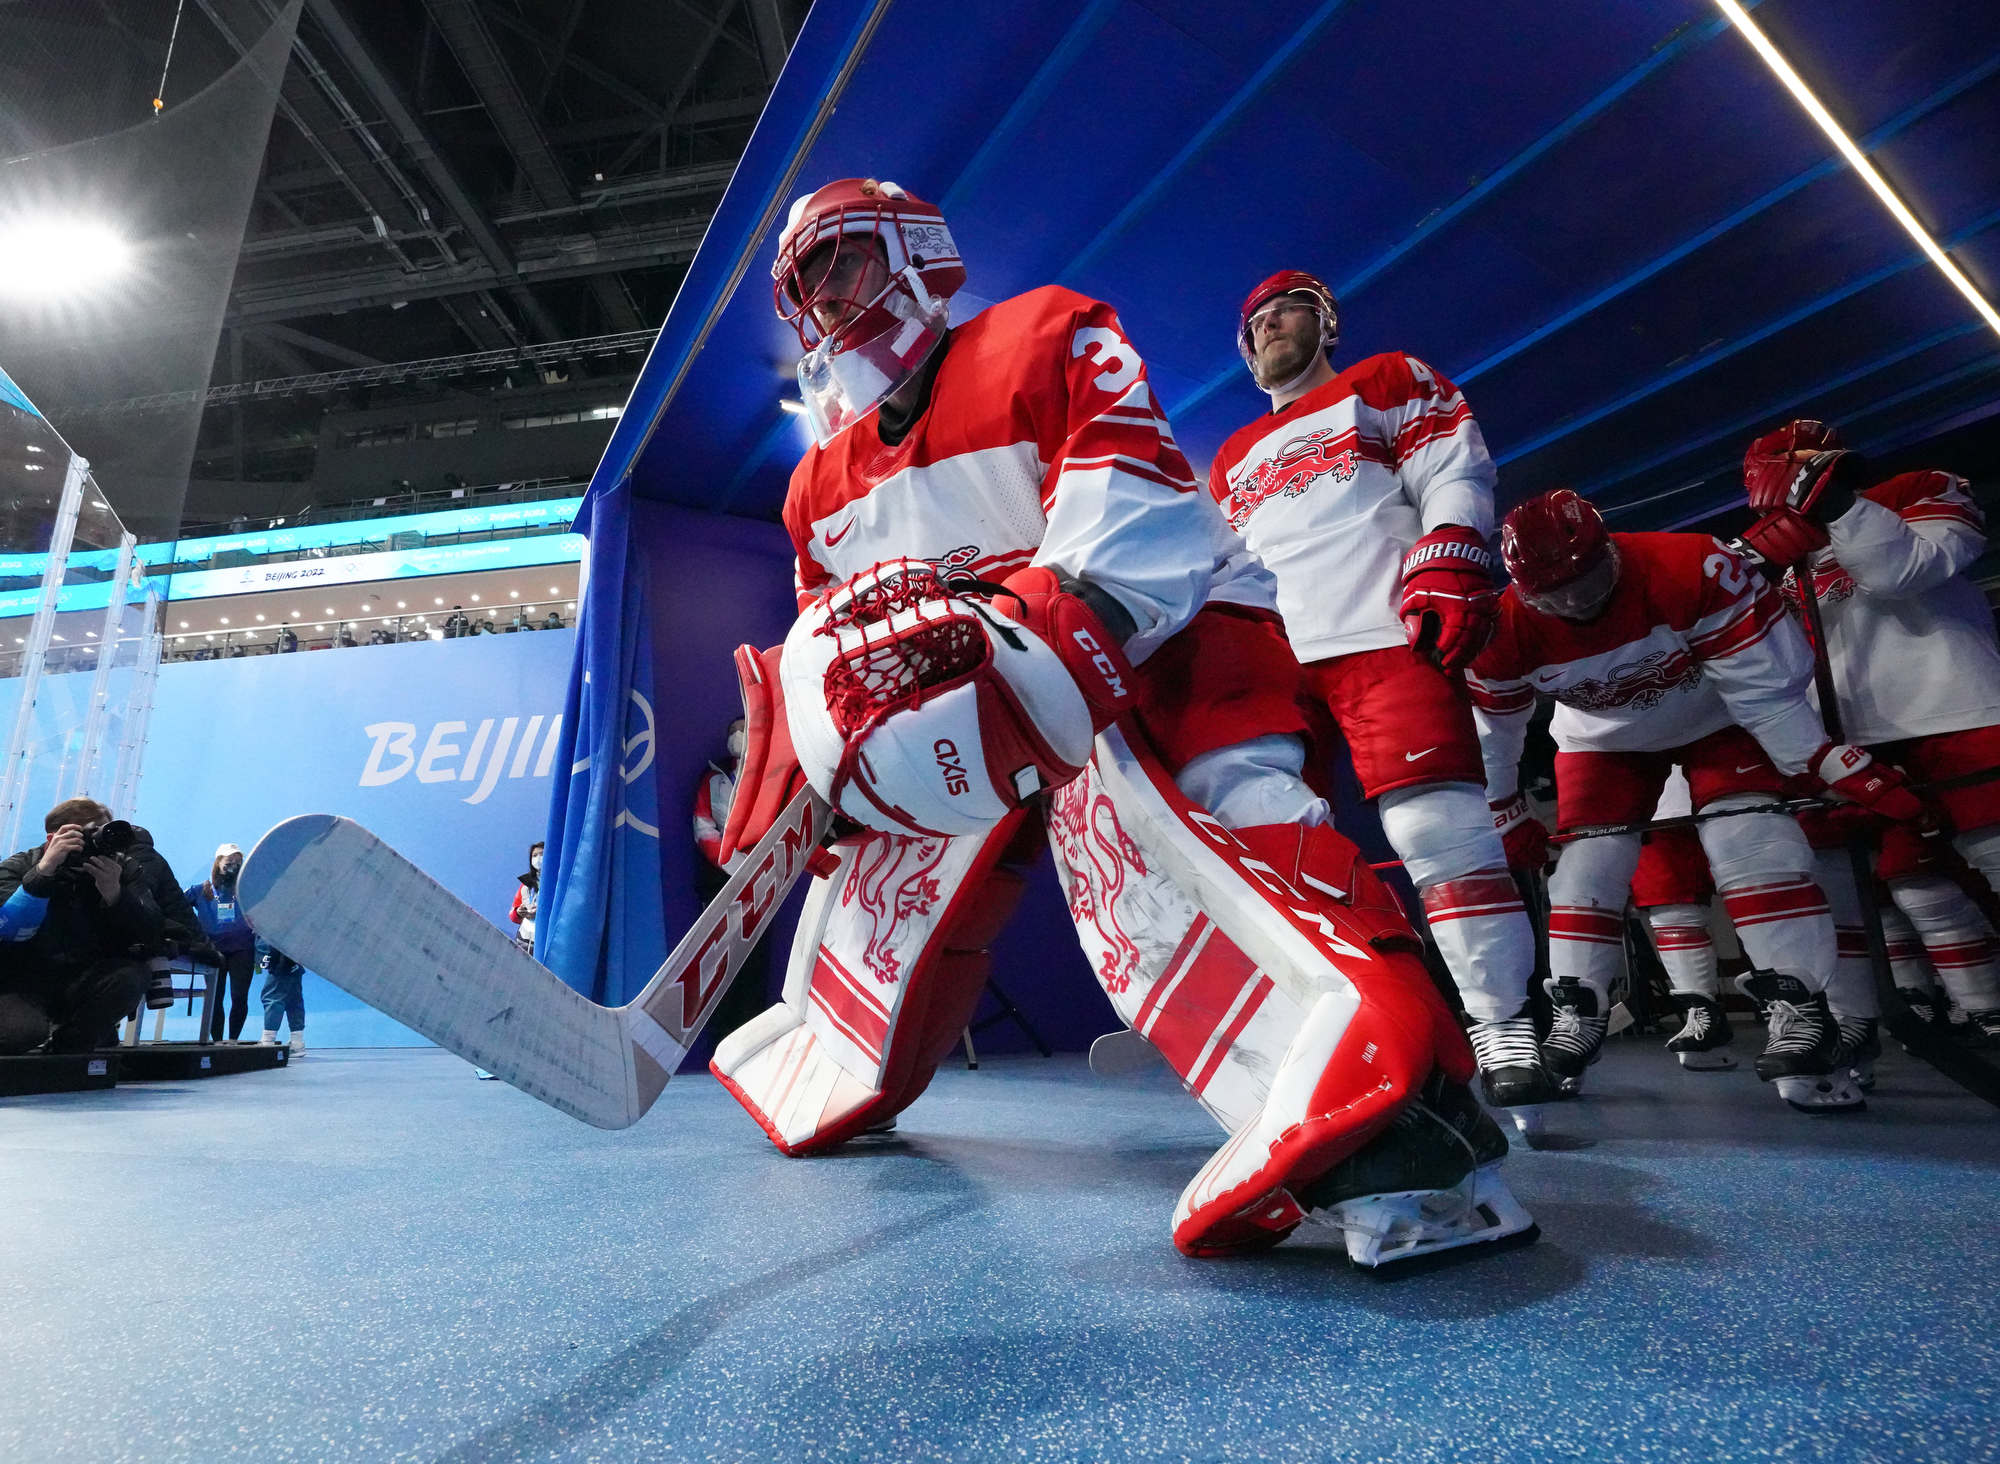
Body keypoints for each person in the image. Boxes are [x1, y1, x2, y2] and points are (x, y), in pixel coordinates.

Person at [713, 178, 1525, 1264]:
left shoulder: (1048, 332)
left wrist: (1016, 644)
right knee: (891, 889)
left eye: (841, 266)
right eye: (805, 288)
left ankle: (1405, 1123)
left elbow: (1131, 529)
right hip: (1002, 673)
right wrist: (825, 770)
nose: (826, 302)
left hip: (1172, 631)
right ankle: (830, 1055)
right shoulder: (814, 487)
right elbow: (838, 640)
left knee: (1212, 836)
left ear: (917, 256)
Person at [1467, 488, 1936, 1112]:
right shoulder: (1504, 629)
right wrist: (1505, 811)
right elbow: (1493, 736)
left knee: (1750, 841)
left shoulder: (1690, 566)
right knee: (1586, 868)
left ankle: (1802, 1009)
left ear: (1610, 549)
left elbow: (1767, 691)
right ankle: (1578, 1010)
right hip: (1601, 741)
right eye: (1554, 595)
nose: (1576, 604)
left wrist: (1825, 759)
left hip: (1722, 717)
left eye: (1585, 582)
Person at [1209, 269, 1547, 1112]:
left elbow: (1452, 469)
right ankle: (1321, 1025)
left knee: (1439, 829)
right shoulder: (1228, 455)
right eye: (1252, 323)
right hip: (1271, 654)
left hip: (1377, 634)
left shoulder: (1388, 379)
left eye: (1283, 310)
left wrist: (1451, 546)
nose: (1266, 326)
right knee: (1263, 842)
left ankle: (1499, 1021)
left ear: (1325, 323)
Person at [1738, 419, 2000, 1044]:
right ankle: (1984, 1009)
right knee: (1914, 885)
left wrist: (1836, 505)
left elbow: (1904, 571)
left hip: (1957, 709)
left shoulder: (1922, 487)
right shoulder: (1771, 550)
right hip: (1855, 736)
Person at [0, 802, 165, 1054]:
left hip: (83, 979)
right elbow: (8, 926)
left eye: (104, 831)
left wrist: (117, 896)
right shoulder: (19, 866)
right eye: (90, 832)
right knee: (21, 1034)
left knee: (132, 975)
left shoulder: (122, 869)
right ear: (53, 837)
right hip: (23, 982)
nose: (98, 840)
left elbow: (152, 931)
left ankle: (72, 1043)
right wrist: (43, 873)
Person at [185, 844, 257, 1042]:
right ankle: (217, 1041)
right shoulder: (200, 890)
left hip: (243, 949)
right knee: (215, 999)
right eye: (229, 861)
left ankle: (233, 1040)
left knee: (239, 996)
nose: (233, 865)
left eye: (237, 862)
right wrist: (193, 933)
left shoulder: (248, 891)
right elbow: (176, 906)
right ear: (218, 863)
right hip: (213, 952)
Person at [257, 943, 306, 1054]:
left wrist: (274, 963)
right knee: (293, 1001)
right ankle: (297, 1043)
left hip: (281, 963)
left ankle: (267, 1042)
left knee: (272, 998)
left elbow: (273, 938)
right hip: (294, 963)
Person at [508, 841, 541, 957]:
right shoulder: (527, 884)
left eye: (542, 854)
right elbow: (513, 913)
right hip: (525, 939)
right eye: (535, 855)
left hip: (546, 937)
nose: (538, 858)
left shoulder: (558, 881)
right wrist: (519, 912)